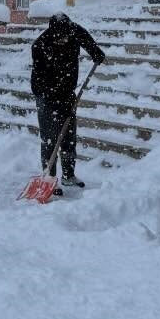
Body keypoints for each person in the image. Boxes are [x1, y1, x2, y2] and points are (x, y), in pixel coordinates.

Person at [30, 12, 106, 191]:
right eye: (60, 38)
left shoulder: (73, 31)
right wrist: (51, 94)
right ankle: (49, 179)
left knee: (69, 138)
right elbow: (37, 82)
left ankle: (69, 176)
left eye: (66, 36)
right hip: (47, 97)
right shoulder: (40, 46)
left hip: (67, 94)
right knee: (50, 140)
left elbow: (85, 37)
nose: (64, 40)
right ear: (53, 34)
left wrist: (95, 51)